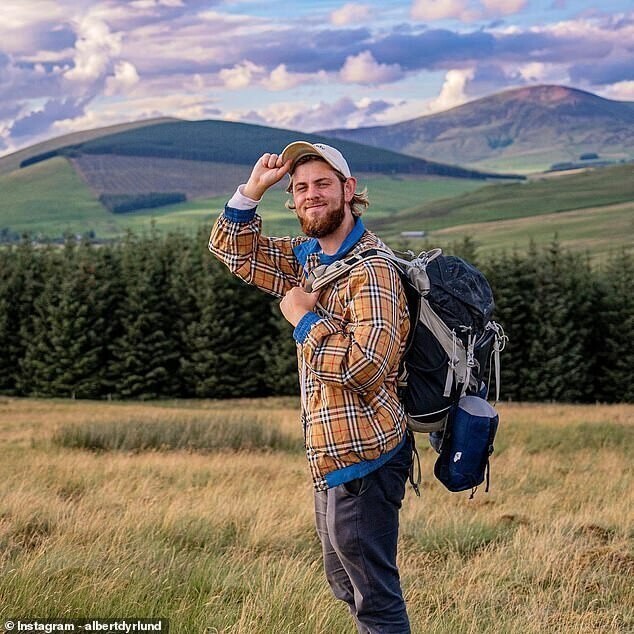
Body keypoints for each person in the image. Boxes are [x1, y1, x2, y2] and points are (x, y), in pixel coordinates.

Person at [209, 141, 413, 633]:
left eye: (323, 184)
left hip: (366, 453)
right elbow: (235, 252)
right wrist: (253, 190)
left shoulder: (373, 270)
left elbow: (367, 366)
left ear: (348, 190)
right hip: (328, 453)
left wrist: (302, 319)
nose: (310, 195)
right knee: (345, 581)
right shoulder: (310, 259)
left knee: (374, 599)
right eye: (300, 188)